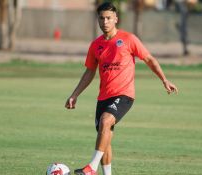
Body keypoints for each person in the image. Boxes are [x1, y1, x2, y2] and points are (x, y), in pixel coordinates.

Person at [65, 2, 178, 175]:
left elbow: (149, 59)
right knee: (105, 138)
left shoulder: (129, 39)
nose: (105, 22)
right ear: (98, 20)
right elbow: (89, 72)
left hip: (124, 94)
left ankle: (91, 168)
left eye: (109, 18)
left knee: (105, 122)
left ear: (116, 19)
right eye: (102, 18)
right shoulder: (95, 45)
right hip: (103, 97)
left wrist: (164, 80)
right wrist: (75, 94)